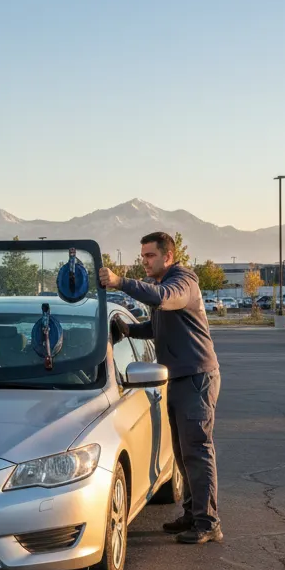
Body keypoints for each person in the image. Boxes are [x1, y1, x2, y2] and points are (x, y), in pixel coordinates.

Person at [99, 231, 223, 544]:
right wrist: (129, 330)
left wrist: (120, 282)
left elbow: (165, 299)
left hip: (197, 377)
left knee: (197, 451)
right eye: (142, 256)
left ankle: (209, 523)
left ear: (168, 256)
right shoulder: (163, 285)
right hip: (179, 377)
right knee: (182, 452)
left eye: (150, 255)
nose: (145, 261)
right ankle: (193, 513)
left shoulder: (182, 282)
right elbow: (157, 327)